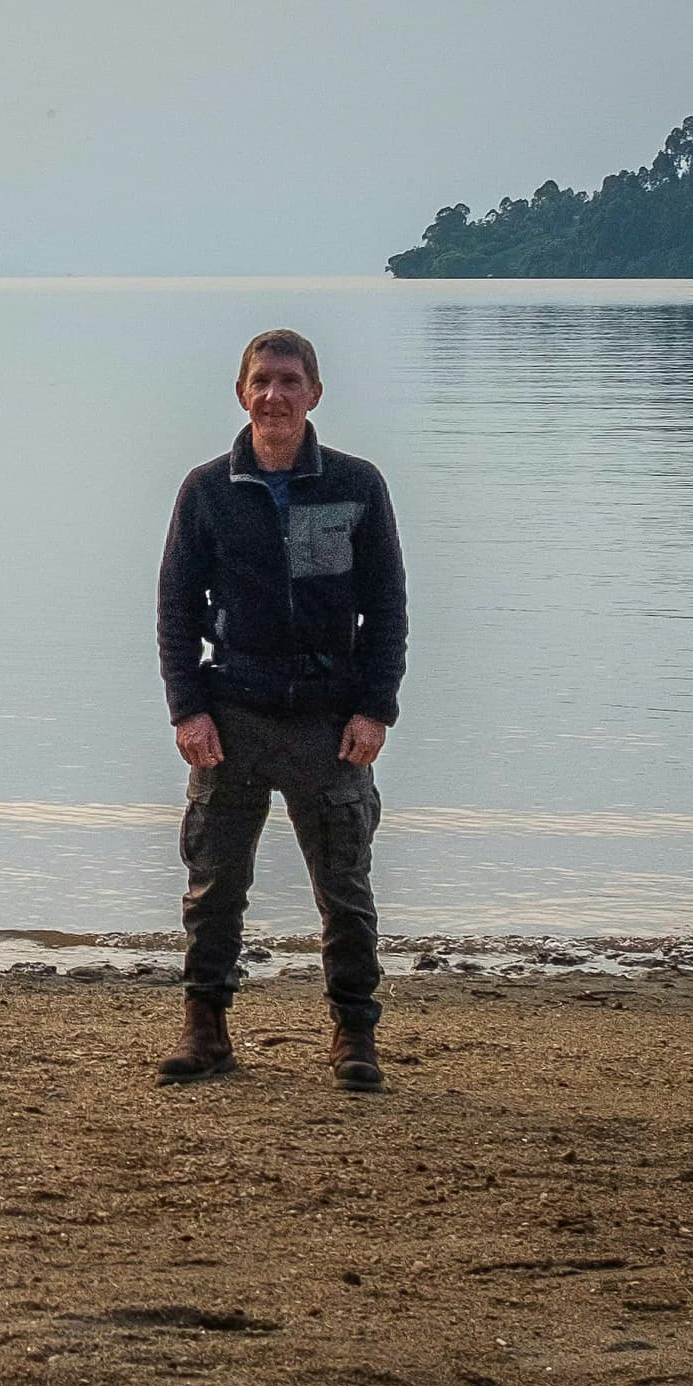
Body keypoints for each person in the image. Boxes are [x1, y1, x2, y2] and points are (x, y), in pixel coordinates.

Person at [152, 328, 408, 1091]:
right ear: (241, 393)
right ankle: (205, 1032)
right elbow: (175, 610)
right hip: (232, 717)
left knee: (346, 890)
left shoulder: (357, 486)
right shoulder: (206, 490)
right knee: (213, 889)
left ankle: (354, 1036)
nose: (275, 395)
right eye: (261, 381)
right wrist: (187, 711)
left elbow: (387, 609)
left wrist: (375, 709)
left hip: (330, 724)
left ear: (314, 394)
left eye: (289, 381)